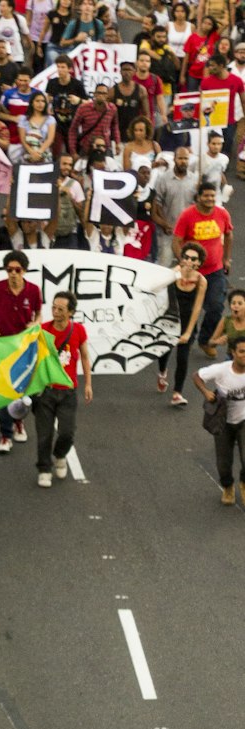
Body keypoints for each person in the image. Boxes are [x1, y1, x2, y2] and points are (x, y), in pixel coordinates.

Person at [0, 249, 43, 451]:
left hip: (24, 348)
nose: (13, 274)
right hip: (1, 346)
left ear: (24, 271)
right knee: (3, 390)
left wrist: (34, 324)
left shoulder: (33, 290)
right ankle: (5, 436)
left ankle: (18, 422)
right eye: (9, 270)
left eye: (17, 270)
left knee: (22, 390)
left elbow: (39, 313)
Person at [32, 290, 92, 487]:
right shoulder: (43, 330)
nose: (56, 312)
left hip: (68, 391)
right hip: (46, 391)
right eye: (54, 308)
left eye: (61, 309)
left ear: (71, 312)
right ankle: (43, 468)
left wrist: (88, 384)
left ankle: (59, 455)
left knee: (68, 432)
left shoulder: (79, 331)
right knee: (44, 433)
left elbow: (84, 356)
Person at [172, 183, 234, 352]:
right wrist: (183, 263)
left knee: (216, 307)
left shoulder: (222, 214)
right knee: (188, 308)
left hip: (215, 270)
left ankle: (204, 340)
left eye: (213, 196)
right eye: (206, 195)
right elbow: (176, 241)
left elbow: (228, 235)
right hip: (192, 272)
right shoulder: (187, 215)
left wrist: (227, 258)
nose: (210, 199)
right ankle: (186, 335)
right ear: (198, 197)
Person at [193, 334, 245, 505]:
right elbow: (197, 376)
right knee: (224, 462)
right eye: (242, 351)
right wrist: (206, 392)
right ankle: (228, 487)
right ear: (233, 352)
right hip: (223, 422)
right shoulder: (222, 370)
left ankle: (244, 483)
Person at [157, 246, 207, 407]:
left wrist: (188, 332)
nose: (189, 261)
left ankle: (177, 393)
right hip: (170, 320)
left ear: (199, 263)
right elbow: (158, 285)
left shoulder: (201, 281)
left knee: (182, 357)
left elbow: (197, 308)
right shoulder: (173, 274)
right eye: (186, 257)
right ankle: (162, 372)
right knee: (164, 352)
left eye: (193, 259)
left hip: (187, 322)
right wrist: (176, 272)